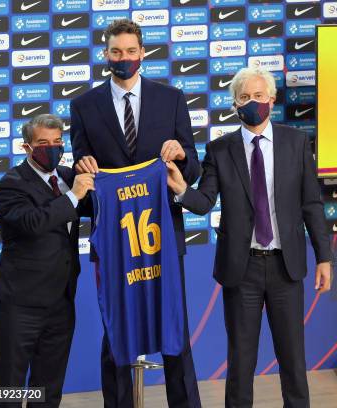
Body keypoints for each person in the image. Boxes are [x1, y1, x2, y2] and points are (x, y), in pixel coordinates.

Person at [166, 67, 333, 408]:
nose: (252, 102)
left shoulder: (296, 142)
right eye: (244, 97)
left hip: (286, 268)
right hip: (241, 272)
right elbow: (204, 201)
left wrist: (325, 257)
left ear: (272, 99)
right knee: (241, 361)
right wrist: (182, 189)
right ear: (234, 105)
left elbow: (312, 204)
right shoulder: (220, 149)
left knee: (292, 359)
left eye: (258, 96)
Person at [69, 19, 201, 408]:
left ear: (142, 53)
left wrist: (180, 157)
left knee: (175, 331)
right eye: (115, 52)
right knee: (116, 334)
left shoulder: (172, 98)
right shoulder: (83, 106)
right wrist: (83, 167)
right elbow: (81, 170)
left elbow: (192, 168)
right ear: (105, 55)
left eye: (130, 51)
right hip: (113, 242)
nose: (123, 58)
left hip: (163, 237)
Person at [0, 114, 94, 407]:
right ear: (27, 147)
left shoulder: (68, 176)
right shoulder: (11, 184)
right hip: (20, 304)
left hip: (61, 302)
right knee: (11, 386)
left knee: (49, 387)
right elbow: (33, 222)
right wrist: (73, 196)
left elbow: (101, 202)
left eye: (57, 142)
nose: (52, 148)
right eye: (43, 143)